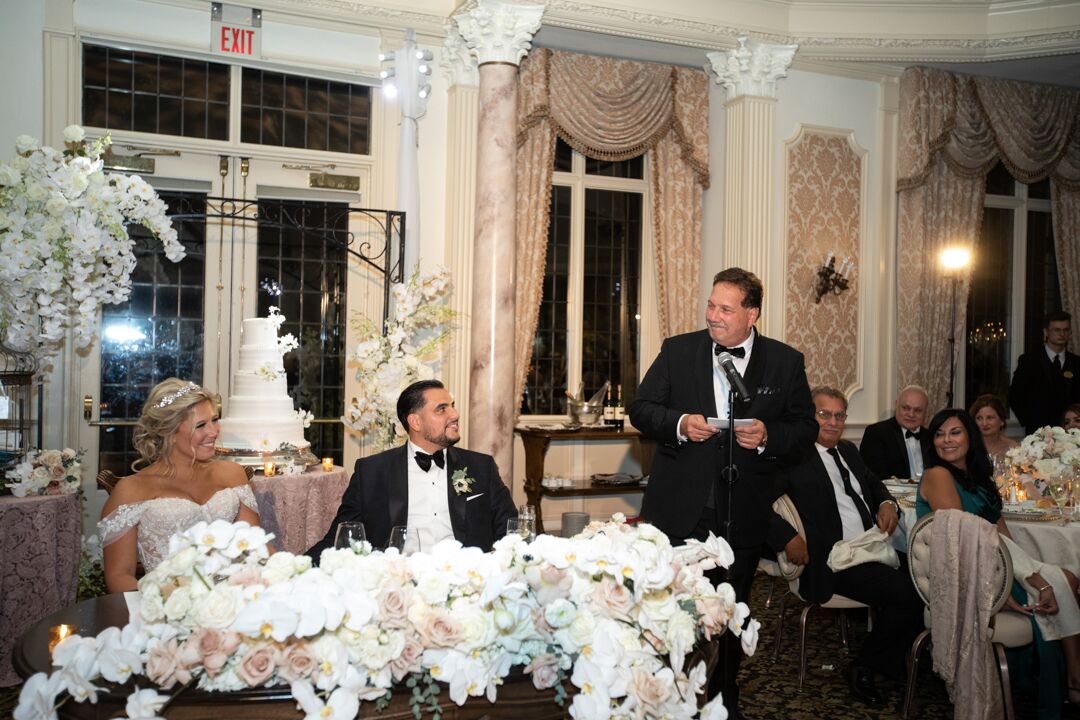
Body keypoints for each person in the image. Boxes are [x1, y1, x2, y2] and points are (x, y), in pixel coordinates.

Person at [629, 267, 817, 719]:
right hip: (679, 511)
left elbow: (805, 427)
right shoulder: (679, 351)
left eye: (726, 309)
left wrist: (769, 434)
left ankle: (722, 700)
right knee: (672, 614)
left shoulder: (785, 361)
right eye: (711, 305)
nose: (713, 315)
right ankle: (666, 700)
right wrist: (678, 423)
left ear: (752, 314)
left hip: (742, 513)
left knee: (730, 615)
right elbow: (641, 408)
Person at [917, 408, 1080, 711]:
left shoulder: (978, 478)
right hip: (969, 573)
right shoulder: (938, 475)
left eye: (955, 432)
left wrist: (1026, 571)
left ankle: (1069, 677)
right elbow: (968, 541)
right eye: (939, 434)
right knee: (1057, 584)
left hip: (997, 562)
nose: (946, 440)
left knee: (1068, 577)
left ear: (970, 437)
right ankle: (1067, 681)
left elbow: (1003, 536)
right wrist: (1020, 583)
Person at [772, 387, 923, 707]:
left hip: (868, 548)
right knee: (907, 594)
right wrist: (787, 536)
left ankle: (896, 658)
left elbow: (872, 482)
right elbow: (757, 503)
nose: (833, 422)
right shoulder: (793, 456)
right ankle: (864, 667)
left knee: (925, 577)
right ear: (808, 417)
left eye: (839, 415)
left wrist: (886, 503)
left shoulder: (849, 451)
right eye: (824, 414)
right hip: (831, 558)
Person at [307, 379, 516, 561]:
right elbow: (340, 538)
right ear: (415, 421)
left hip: (465, 578)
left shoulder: (481, 467)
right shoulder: (371, 472)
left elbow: (512, 531)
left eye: (452, 406)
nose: (455, 414)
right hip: (399, 579)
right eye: (442, 409)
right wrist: (295, 569)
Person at [98, 378, 262, 592]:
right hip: (170, 609)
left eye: (215, 420)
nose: (214, 432)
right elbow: (119, 576)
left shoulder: (232, 473)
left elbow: (255, 548)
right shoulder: (131, 490)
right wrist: (168, 601)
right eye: (201, 425)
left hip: (233, 599)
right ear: (169, 432)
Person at [1009, 311, 1080, 435]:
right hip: (1038, 434)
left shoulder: (1077, 363)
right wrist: (1029, 420)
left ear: (1070, 333)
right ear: (1046, 332)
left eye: (1066, 330)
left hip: (1071, 434)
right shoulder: (1029, 361)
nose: (1062, 334)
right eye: (1057, 330)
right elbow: (1014, 396)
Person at [859, 385, 930, 479]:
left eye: (918, 410)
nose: (911, 414)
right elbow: (874, 477)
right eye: (906, 408)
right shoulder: (876, 433)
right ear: (896, 405)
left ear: (926, 412)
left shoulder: (931, 436)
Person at [969, 394, 1019, 462]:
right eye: (979, 418)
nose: (984, 423)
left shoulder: (1013, 448)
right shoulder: (967, 447)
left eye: (989, 418)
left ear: (1001, 421)